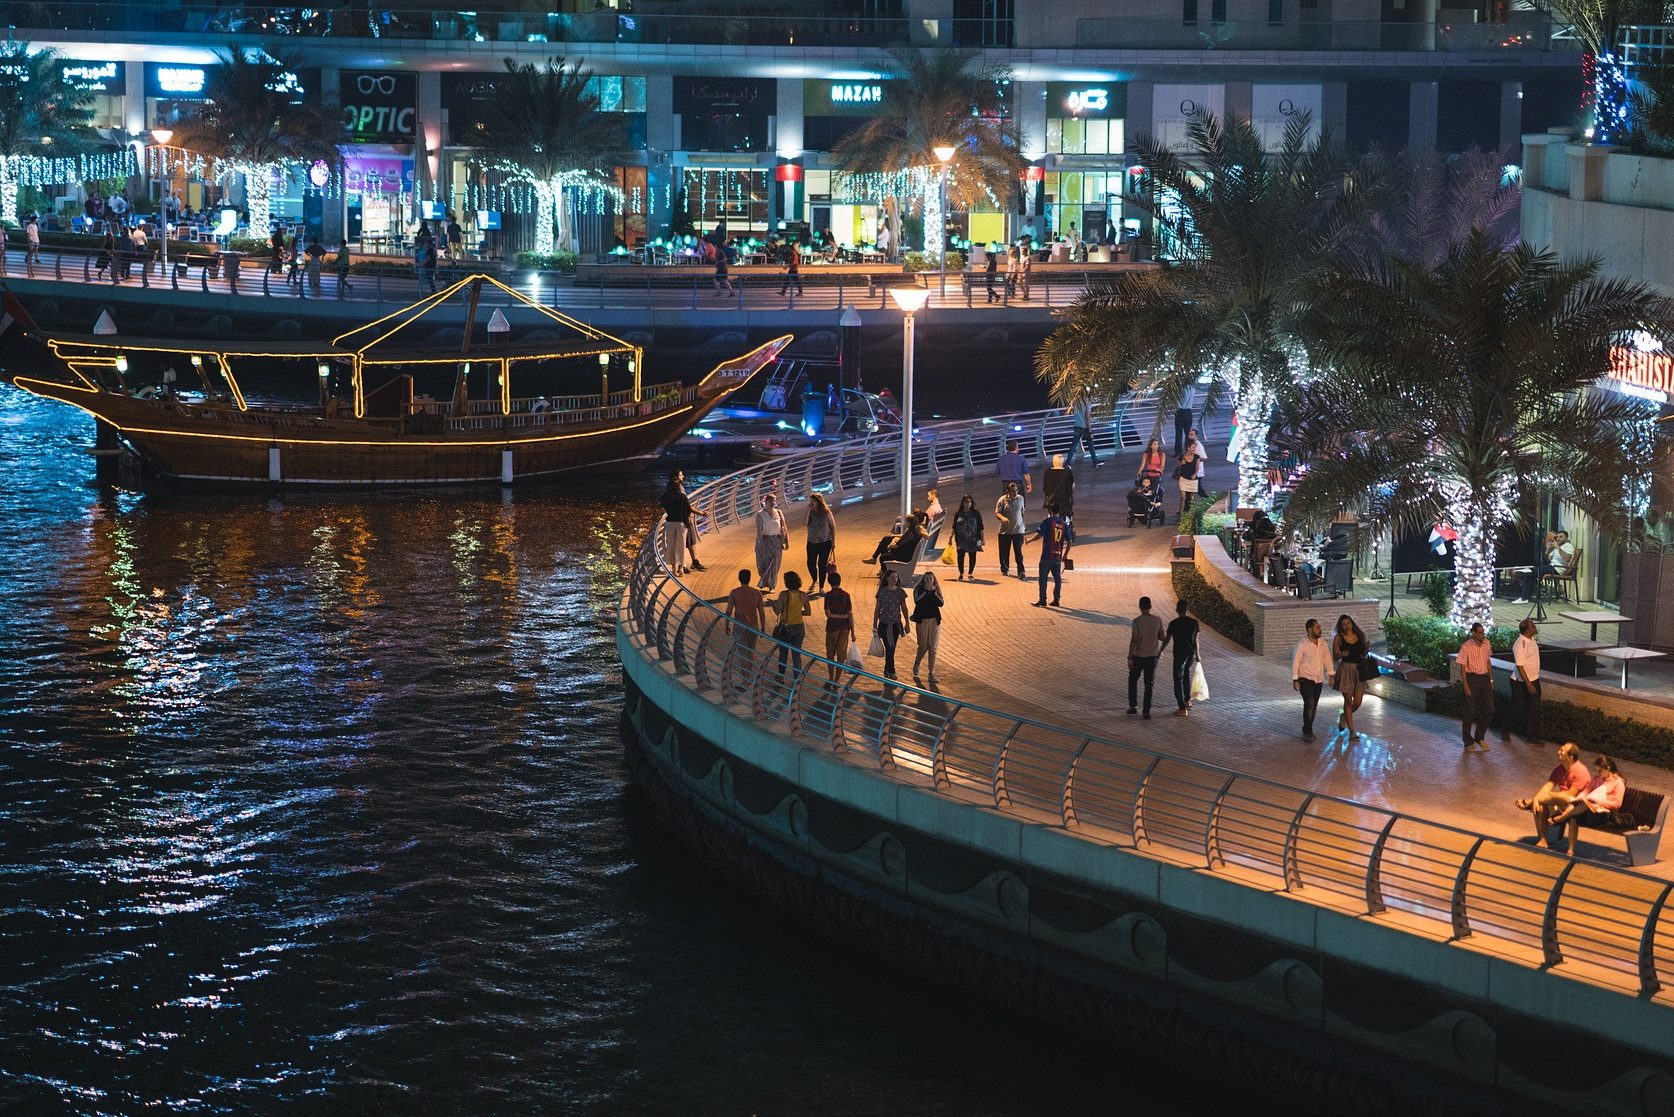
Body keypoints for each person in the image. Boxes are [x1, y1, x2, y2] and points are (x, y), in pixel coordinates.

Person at [1515, 742, 1593, 847]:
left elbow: (1571, 795)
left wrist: (1539, 798)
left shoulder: (1581, 771)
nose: (1558, 752)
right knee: (1540, 806)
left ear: (1570, 757)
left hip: (1576, 807)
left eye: (1562, 751)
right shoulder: (1559, 768)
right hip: (1560, 803)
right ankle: (1543, 840)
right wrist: (1538, 799)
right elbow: (1549, 785)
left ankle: (1531, 801)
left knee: (1558, 796)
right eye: (1559, 749)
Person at [1543, 755, 1627, 834]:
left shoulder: (1618, 783)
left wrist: (1597, 801)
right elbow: (1585, 792)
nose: (1599, 773)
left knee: (1581, 806)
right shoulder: (1597, 779)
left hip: (1602, 815)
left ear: (1608, 768)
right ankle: (1560, 817)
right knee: (1571, 801)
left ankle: (1560, 818)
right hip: (1586, 809)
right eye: (1598, 771)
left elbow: (1617, 804)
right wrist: (1577, 800)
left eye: (1600, 770)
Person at [1292, 617, 1333, 742]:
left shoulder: (1323, 643)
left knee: (1314, 706)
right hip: (1305, 678)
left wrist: (1331, 674)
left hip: (1318, 679)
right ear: (1310, 629)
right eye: (1317, 627)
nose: (1320, 630)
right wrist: (1295, 679)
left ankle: (1307, 728)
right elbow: (1296, 661)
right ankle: (1308, 732)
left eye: (1319, 627)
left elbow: (1327, 658)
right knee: (1309, 704)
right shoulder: (1302, 644)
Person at [1159, 599, 1201, 716]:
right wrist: (1197, 655)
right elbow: (1196, 640)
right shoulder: (1194, 623)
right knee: (1186, 674)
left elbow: (1167, 639)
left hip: (1179, 654)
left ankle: (1182, 708)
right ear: (1187, 610)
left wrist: (1160, 651)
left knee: (1178, 678)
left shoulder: (1174, 623)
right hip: (1190, 654)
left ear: (1177, 610)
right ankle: (1188, 700)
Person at [659, 471, 705, 574]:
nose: (683, 476)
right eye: (681, 474)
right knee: (681, 546)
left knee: (671, 546)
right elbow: (689, 508)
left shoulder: (664, 497)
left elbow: (663, 507)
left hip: (670, 523)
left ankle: (673, 569)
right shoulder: (682, 496)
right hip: (681, 523)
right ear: (678, 487)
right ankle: (681, 569)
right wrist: (702, 513)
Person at [1333, 614, 1370, 742]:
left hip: (1359, 671)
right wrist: (1341, 654)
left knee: (1357, 703)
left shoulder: (1359, 636)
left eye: (1348, 623)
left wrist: (1366, 649)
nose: (1347, 626)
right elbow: (1335, 656)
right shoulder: (1339, 638)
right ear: (1340, 626)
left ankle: (1344, 716)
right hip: (1346, 670)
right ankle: (1352, 731)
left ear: (1352, 623)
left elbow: (1363, 654)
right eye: (1344, 624)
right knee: (1348, 702)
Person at [1458, 621, 1494, 752]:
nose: (1482, 635)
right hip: (1472, 678)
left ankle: (1479, 737)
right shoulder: (1466, 646)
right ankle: (1468, 742)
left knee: (1490, 709)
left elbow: (1488, 662)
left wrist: (1490, 679)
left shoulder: (1487, 643)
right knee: (1469, 712)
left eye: (1483, 632)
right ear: (1473, 633)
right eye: (1479, 632)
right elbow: (1462, 669)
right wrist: (1466, 686)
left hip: (1484, 679)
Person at [1127, 596, 1165, 718]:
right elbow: (1162, 637)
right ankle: (1146, 711)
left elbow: (1134, 640)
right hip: (1152, 657)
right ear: (1150, 607)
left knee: (1133, 680)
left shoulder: (1136, 621)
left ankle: (1133, 706)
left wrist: (1129, 657)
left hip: (1138, 656)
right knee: (1149, 684)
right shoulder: (1158, 620)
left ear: (1140, 607)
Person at [1028, 500, 1071, 608]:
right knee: (1057, 578)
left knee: (1043, 578)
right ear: (1059, 511)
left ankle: (1043, 599)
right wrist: (1065, 554)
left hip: (1047, 556)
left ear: (1051, 510)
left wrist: (1029, 540)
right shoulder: (1063, 523)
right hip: (1057, 556)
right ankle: (1056, 599)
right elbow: (1069, 541)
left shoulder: (1047, 521)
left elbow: (1039, 535)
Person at [768, 571, 808, 677]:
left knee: (783, 653)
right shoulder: (803, 595)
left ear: (787, 582)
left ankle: (781, 676)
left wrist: (772, 604)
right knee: (796, 655)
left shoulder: (784, 594)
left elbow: (778, 612)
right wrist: (798, 612)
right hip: (799, 627)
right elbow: (808, 612)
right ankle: (797, 678)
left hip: (786, 628)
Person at [873, 568, 910, 680]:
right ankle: (891, 670)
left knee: (891, 648)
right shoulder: (882, 593)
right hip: (884, 624)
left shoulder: (900, 592)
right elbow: (877, 609)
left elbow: (904, 609)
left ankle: (887, 669)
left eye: (896, 577)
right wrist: (874, 624)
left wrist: (907, 623)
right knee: (890, 647)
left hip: (895, 625)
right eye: (892, 577)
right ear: (887, 578)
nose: (895, 579)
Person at [911, 570, 945, 683]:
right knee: (923, 646)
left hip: (934, 620)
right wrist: (926, 591)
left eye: (931, 579)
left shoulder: (936, 590)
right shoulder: (919, 590)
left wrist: (934, 593)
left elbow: (941, 603)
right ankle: (917, 663)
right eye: (927, 579)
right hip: (922, 620)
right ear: (923, 580)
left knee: (933, 647)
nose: (929, 581)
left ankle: (931, 673)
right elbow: (917, 602)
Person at [1513, 618, 1543, 744]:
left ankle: (1532, 737)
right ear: (1527, 630)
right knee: (1516, 708)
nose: (1535, 628)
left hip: (1534, 679)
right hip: (1522, 682)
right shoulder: (1521, 644)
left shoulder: (1531, 639)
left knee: (1534, 709)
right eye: (1533, 626)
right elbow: (1520, 666)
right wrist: (1528, 684)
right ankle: (1505, 729)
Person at [822, 570, 854, 681]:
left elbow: (828, 614)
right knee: (841, 655)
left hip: (832, 628)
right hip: (845, 628)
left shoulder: (828, 595)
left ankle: (830, 678)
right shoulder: (846, 595)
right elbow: (850, 614)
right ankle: (837, 680)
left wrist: (840, 616)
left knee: (830, 654)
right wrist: (853, 632)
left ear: (829, 582)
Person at [754, 492, 789, 591]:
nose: (773, 503)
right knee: (763, 564)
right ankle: (764, 581)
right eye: (770, 501)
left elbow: (784, 527)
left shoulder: (779, 512)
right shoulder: (760, 515)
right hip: (764, 540)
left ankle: (771, 585)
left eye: (774, 500)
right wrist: (761, 545)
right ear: (766, 502)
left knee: (775, 564)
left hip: (776, 541)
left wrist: (786, 540)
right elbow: (759, 532)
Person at [725, 569, 766, 652]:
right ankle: (750, 665)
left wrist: (726, 625)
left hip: (740, 626)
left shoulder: (734, 593)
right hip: (753, 626)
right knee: (750, 652)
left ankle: (744, 665)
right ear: (749, 579)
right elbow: (762, 612)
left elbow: (728, 611)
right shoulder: (757, 593)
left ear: (739, 578)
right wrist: (763, 628)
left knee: (742, 653)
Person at [805, 491, 836, 593]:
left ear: (818, 502)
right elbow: (805, 523)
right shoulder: (810, 512)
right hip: (812, 542)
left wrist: (833, 542)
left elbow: (833, 527)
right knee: (810, 564)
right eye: (810, 502)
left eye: (812, 501)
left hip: (825, 542)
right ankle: (815, 580)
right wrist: (808, 510)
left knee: (822, 565)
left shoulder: (827, 513)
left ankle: (821, 587)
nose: (811, 503)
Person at [994, 482, 1026, 578]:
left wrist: (1022, 525)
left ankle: (1021, 571)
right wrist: (1002, 518)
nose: (1015, 493)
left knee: (1018, 552)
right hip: (1005, 531)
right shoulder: (1002, 500)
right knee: (1004, 552)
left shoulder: (1021, 499)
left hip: (1018, 531)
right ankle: (1005, 569)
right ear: (1007, 491)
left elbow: (1022, 512)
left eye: (1016, 491)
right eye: (1012, 491)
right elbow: (997, 513)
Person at [951, 494, 984, 581]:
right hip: (961, 539)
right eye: (966, 502)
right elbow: (954, 526)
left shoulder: (976, 513)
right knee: (960, 556)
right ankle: (961, 573)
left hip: (973, 539)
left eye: (970, 502)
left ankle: (970, 573)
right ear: (963, 503)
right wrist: (950, 537)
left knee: (972, 556)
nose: (968, 503)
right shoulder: (958, 513)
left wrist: (982, 538)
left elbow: (980, 526)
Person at [1042, 454, 1075, 539]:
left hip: (1051, 500)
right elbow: (1072, 486)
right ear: (1062, 462)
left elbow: (1045, 488)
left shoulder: (1047, 472)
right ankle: (1061, 535)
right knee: (1062, 518)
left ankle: (1052, 534)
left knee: (1052, 516)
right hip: (1063, 500)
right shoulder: (1067, 473)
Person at [1174, 443, 1204, 522]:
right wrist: (1181, 463)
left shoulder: (1196, 457)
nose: (1194, 449)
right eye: (1193, 447)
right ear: (1188, 448)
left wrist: (1194, 474)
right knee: (1183, 497)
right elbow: (1177, 465)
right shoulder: (1181, 456)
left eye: (1195, 447)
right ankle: (1181, 514)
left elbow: (1197, 467)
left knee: (1192, 498)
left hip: (1192, 479)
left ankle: (1193, 514)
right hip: (1183, 479)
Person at [1068, 390, 1099, 466]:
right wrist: (1090, 431)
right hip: (1084, 427)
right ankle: (1095, 462)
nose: (1093, 398)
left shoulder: (1077, 402)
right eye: (1092, 396)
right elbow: (1087, 418)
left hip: (1077, 426)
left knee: (1073, 445)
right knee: (1090, 444)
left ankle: (1067, 463)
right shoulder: (1087, 404)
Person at [1247, 511, 1280, 581]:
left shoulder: (1256, 539)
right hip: (1276, 566)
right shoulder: (1277, 538)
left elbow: (1252, 555)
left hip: (1260, 565)